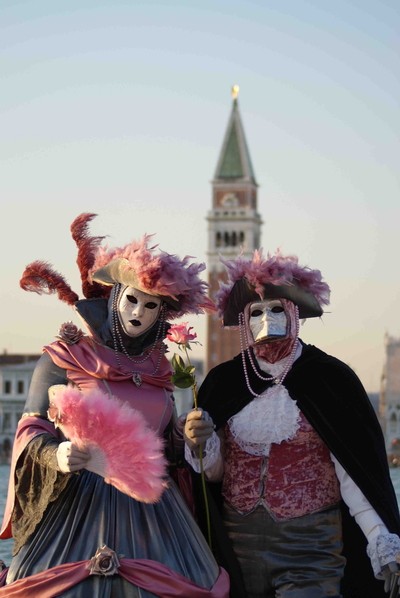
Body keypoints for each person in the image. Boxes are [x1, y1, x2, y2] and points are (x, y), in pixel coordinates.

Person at [0, 212, 229, 597]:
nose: (139, 313)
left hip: (156, 513)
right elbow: (31, 427)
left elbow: (167, 449)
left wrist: (191, 438)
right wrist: (58, 454)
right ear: (116, 299)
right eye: (133, 301)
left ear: (162, 314)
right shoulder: (67, 356)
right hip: (79, 504)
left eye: (151, 306)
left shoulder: (162, 369)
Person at [182, 248, 400, 598]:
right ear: (244, 320)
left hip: (311, 546)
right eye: (256, 311)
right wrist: (202, 443)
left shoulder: (330, 379)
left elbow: (354, 470)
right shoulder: (225, 381)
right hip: (238, 545)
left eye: (276, 309)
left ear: (294, 313)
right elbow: (213, 476)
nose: (266, 318)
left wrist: (380, 537)